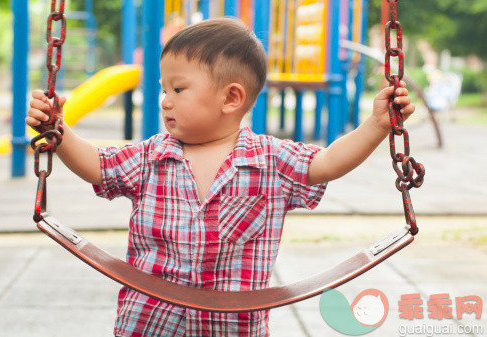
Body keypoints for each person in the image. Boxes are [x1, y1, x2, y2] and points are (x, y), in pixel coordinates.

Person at [26, 18, 414, 337]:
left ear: (231, 98)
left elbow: (328, 162)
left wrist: (376, 126)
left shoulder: (271, 161)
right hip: (150, 322)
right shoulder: (150, 156)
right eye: (163, 88)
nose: (165, 99)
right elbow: (97, 165)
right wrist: (59, 132)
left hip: (232, 324)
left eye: (178, 88)